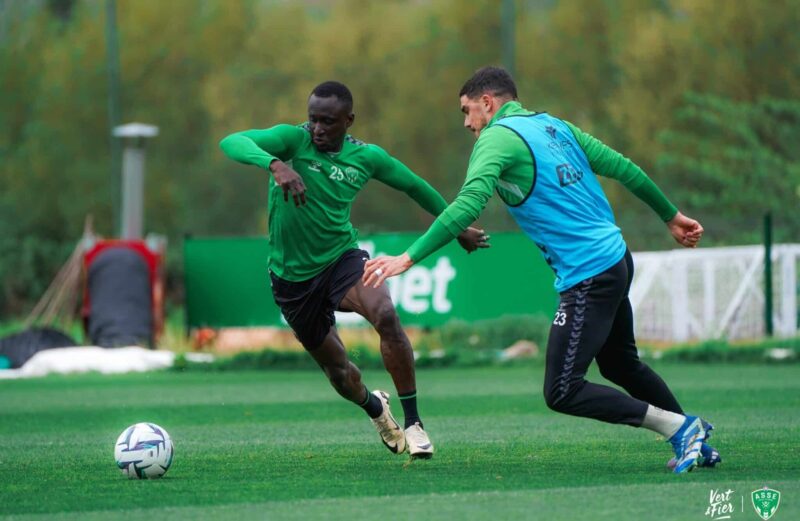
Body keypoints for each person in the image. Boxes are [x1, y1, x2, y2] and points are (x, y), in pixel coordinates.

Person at [363, 66, 721, 473]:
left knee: (562, 390)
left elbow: (468, 204)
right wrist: (670, 216)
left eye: (467, 111)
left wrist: (406, 258)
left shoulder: (496, 137)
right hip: (616, 258)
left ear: (488, 102)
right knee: (621, 365)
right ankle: (695, 441)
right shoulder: (555, 126)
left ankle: (682, 427)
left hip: (590, 274)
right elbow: (623, 167)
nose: (466, 123)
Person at [220, 81, 487, 459]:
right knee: (341, 374)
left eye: (328, 122)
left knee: (386, 314)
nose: (318, 129)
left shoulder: (367, 157)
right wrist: (275, 164)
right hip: (292, 280)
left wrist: (458, 228)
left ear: (349, 120)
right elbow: (231, 142)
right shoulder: (291, 142)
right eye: (313, 119)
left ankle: (414, 423)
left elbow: (414, 186)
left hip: (341, 259)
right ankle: (376, 409)